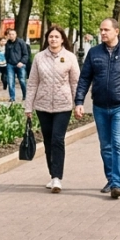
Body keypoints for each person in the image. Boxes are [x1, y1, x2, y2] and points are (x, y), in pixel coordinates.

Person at [75, 18, 120, 200]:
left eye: (106, 30)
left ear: (116, 31)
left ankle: (117, 184)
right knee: (106, 146)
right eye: (101, 30)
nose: (103, 33)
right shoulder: (94, 53)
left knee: (118, 144)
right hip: (100, 105)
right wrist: (79, 101)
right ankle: (110, 178)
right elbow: (84, 79)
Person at [25, 25, 80, 193]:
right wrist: (29, 107)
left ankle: (57, 177)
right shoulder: (39, 58)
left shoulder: (70, 57)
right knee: (48, 141)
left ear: (62, 39)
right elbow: (33, 82)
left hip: (63, 105)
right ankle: (52, 174)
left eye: (57, 37)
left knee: (57, 139)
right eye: (50, 37)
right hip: (43, 106)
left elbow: (75, 82)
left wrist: (78, 103)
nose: (53, 39)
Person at [3, 28, 31, 102]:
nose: (11, 36)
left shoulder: (21, 42)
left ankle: (25, 95)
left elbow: (26, 54)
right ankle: (12, 97)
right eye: (10, 34)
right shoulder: (7, 44)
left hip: (20, 64)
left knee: (22, 81)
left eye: (12, 34)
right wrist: (7, 61)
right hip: (10, 65)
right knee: (10, 81)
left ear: (16, 35)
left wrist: (22, 62)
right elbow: (6, 54)